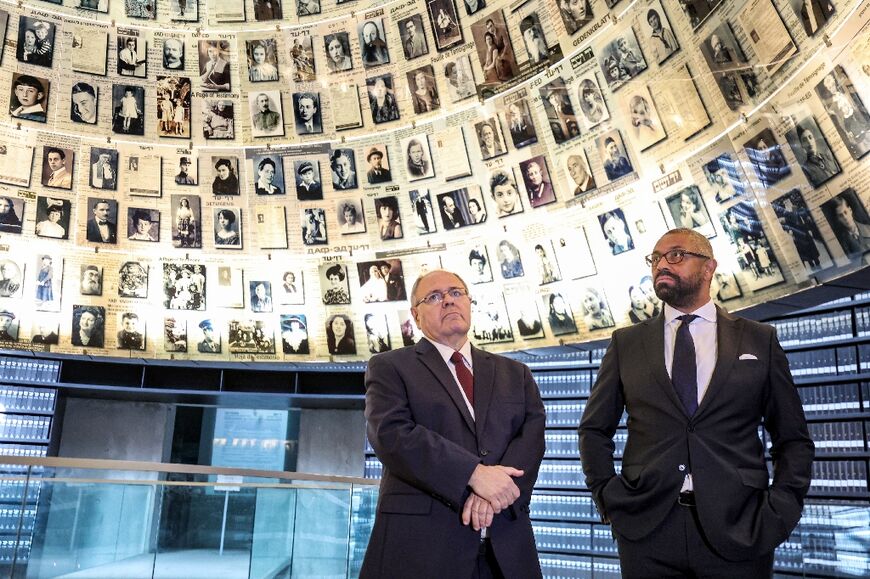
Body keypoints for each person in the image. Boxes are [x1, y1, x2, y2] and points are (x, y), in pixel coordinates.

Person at [579, 228, 814, 578]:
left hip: (741, 527)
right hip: (646, 531)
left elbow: (792, 437)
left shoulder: (758, 340)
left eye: (675, 255)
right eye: (655, 259)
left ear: (708, 268)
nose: (661, 265)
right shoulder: (626, 343)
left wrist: (782, 510)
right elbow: (594, 429)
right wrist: (607, 495)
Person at [361, 269, 545, 578]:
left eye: (456, 293)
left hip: (506, 550)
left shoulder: (517, 373)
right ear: (415, 316)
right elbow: (391, 434)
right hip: (422, 551)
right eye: (434, 297)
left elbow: (532, 437)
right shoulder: (390, 366)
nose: (448, 301)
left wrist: (492, 494)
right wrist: (473, 474)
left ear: (470, 303)